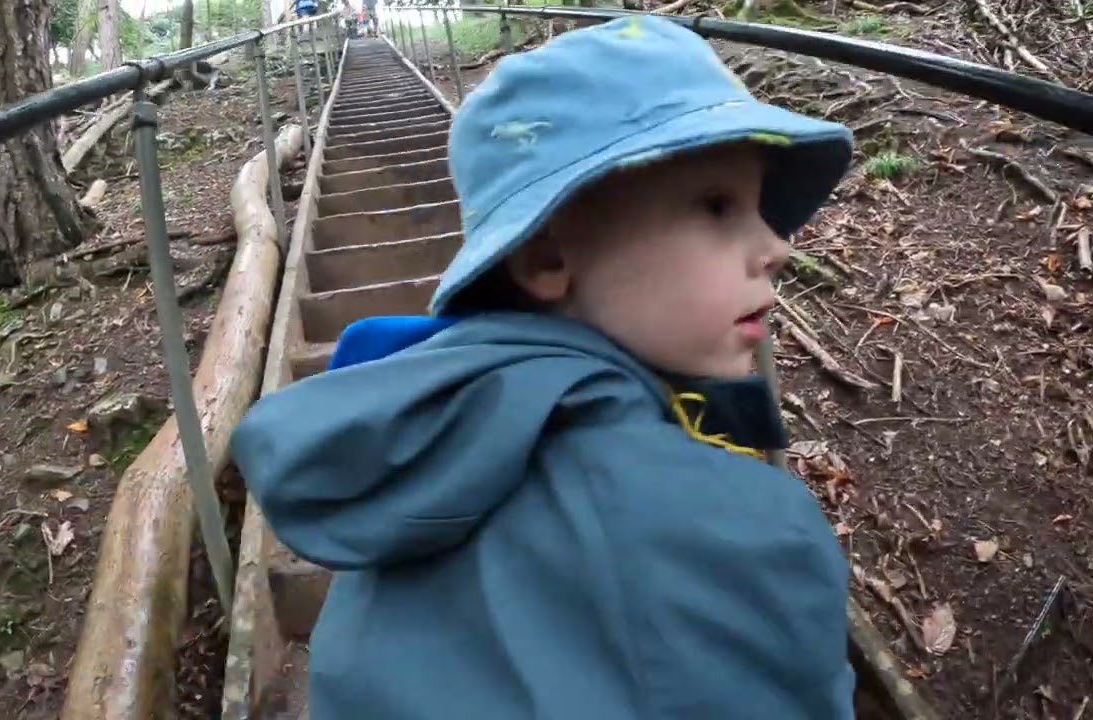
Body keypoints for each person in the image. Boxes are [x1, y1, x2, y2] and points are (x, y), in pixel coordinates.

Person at [231, 15, 856, 720]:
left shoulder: (404, 473)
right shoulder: (743, 533)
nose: (776, 244)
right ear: (547, 258)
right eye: (716, 205)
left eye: (762, 206)